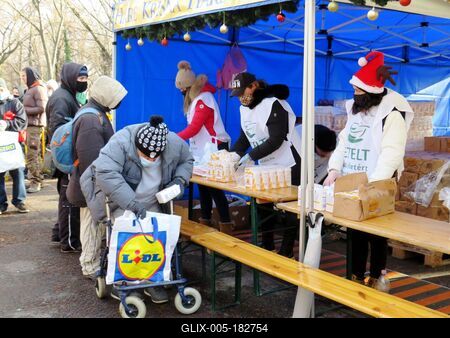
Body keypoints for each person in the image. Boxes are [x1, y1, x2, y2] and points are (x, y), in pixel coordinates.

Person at [323, 51, 413, 291]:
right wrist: (333, 169)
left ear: (372, 93)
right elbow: (344, 142)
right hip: (353, 179)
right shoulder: (356, 112)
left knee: (376, 232)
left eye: (359, 93)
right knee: (354, 230)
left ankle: (376, 276)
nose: (355, 96)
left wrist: (372, 184)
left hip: (378, 183)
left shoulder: (391, 117)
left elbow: (392, 154)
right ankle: (353, 274)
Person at [82, 115, 194, 304]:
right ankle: (126, 281)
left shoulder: (173, 143)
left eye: (155, 155)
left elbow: (187, 160)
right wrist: (132, 204)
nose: (150, 158)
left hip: (153, 200)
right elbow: (106, 173)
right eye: (145, 154)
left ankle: (152, 279)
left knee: (156, 238)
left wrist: (179, 180)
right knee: (128, 238)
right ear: (136, 146)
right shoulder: (120, 142)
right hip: (121, 201)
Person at [229, 72, 302, 257]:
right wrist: (233, 155)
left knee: (290, 207)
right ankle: (267, 244)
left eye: (242, 92)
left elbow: (277, 139)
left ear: (254, 86)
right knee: (263, 204)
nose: (240, 98)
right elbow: (246, 136)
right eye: (237, 95)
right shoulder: (244, 108)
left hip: (290, 160)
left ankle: (286, 251)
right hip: (267, 164)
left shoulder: (273, 104)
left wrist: (250, 157)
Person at [66, 76, 127, 279]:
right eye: (116, 98)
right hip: (91, 183)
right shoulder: (91, 120)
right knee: (91, 224)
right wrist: (104, 184)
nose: (118, 103)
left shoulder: (94, 113)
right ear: (106, 96)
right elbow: (91, 160)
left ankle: (91, 262)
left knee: (94, 224)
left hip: (91, 182)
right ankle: (90, 265)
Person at [174, 60, 234, 233]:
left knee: (215, 190)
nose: (181, 93)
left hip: (215, 149)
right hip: (203, 151)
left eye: (182, 90)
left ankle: (226, 226)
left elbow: (194, 128)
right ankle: (205, 222)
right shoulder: (196, 100)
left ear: (188, 87)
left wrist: (174, 138)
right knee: (203, 188)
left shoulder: (203, 100)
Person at [47, 62, 88, 252]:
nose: (84, 82)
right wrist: (71, 160)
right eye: (80, 78)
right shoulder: (62, 99)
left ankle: (59, 233)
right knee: (68, 200)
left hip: (69, 157)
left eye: (85, 78)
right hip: (67, 158)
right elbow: (59, 133)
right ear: (71, 78)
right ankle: (69, 242)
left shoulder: (69, 95)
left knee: (66, 198)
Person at [0, 78, 29, 214]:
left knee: (17, 171)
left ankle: (20, 200)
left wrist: (8, 124)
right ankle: (1, 203)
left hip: (14, 144)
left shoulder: (14, 103)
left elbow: (22, 121)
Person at [21, 67, 48, 193]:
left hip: (35, 126)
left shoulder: (38, 89)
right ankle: (38, 180)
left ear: (31, 76)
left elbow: (42, 108)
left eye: (24, 76)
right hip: (30, 125)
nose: (22, 78)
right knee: (34, 155)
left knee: (32, 156)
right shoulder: (30, 89)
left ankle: (36, 182)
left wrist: (23, 110)